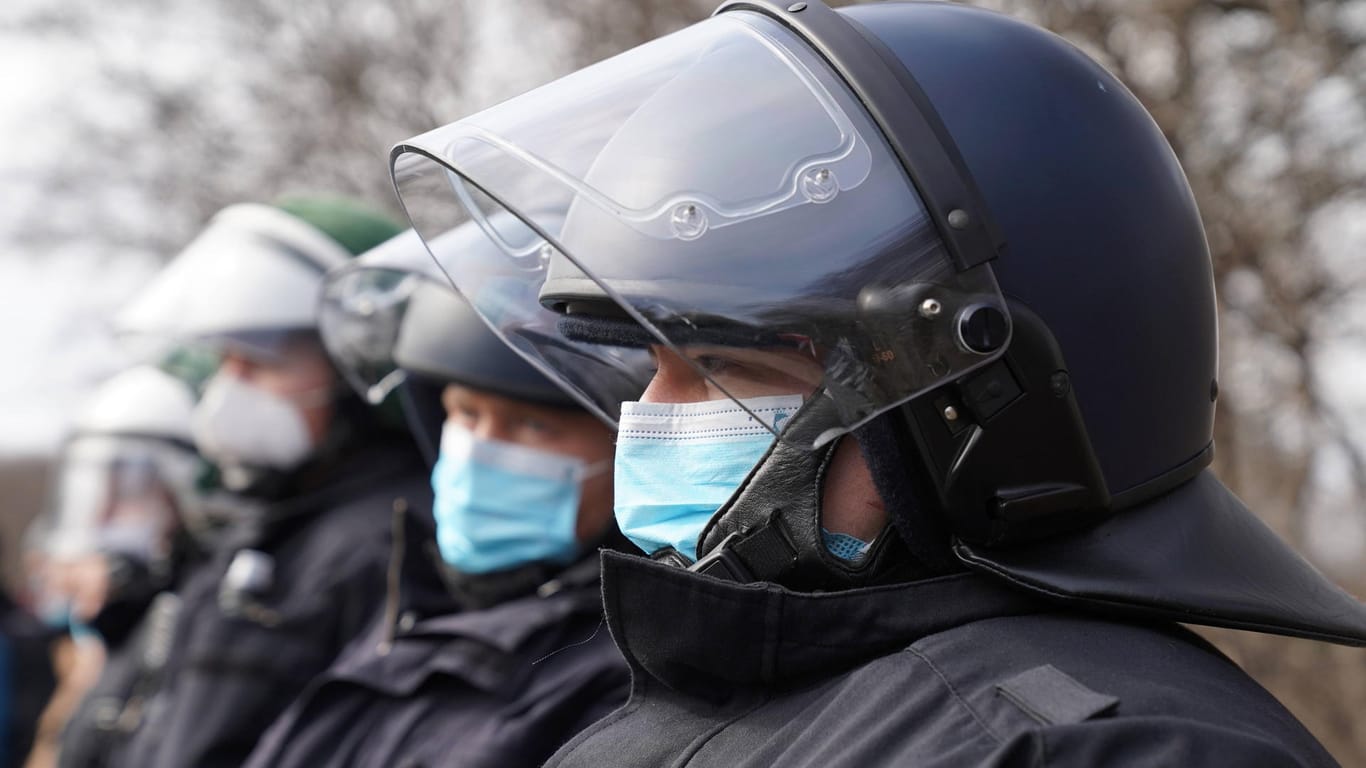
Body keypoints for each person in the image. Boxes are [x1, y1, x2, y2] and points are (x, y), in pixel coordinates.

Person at [389, 1, 1366, 765]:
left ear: (985, 407)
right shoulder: (698, 705)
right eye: (654, 364)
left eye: (724, 364)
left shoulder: (1115, 748)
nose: (650, 419)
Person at [243, 224, 646, 767]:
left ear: (625, 448)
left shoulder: (626, 672)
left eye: (532, 426)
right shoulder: (409, 604)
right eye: (466, 413)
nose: (481, 450)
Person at [107, 197, 429, 768]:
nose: (229, 386)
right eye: (225, 360)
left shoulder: (391, 538)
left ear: (361, 364)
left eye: (261, 362)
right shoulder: (272, 524)